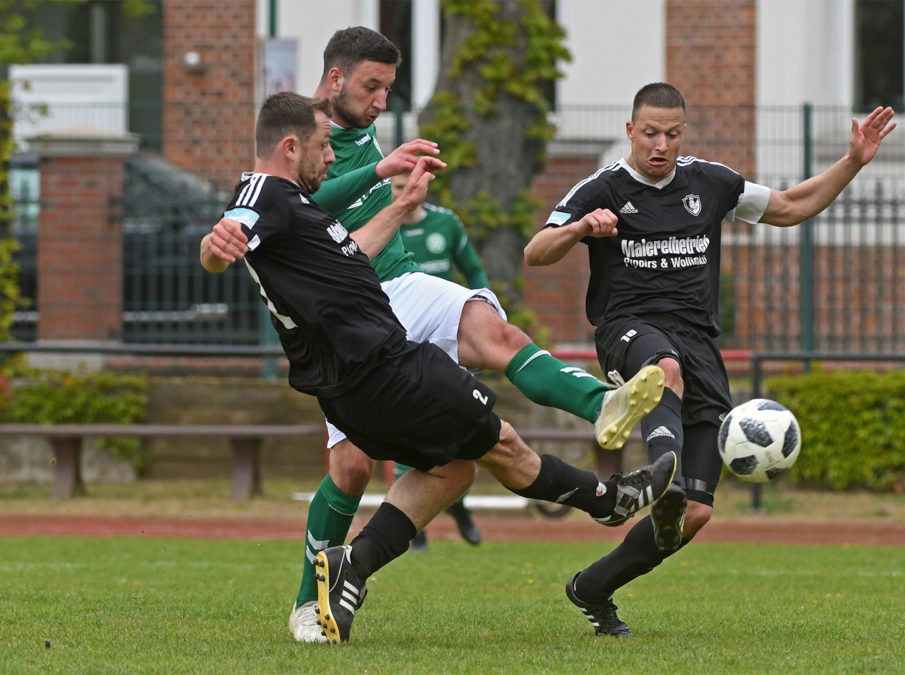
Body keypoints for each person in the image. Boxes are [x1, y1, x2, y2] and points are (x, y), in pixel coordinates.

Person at [200, 91, 679, 646]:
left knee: (454, 471)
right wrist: (218, 244)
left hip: (354, 387)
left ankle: (352, 566)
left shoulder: (300, 212)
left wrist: (401, 206)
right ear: (289, 146)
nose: (332, 158)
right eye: (324, 146)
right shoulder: (265, 193)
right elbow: (226, 235)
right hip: (387, 367)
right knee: (503, 445)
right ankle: (609, 500)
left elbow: (350, 255)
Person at [523, 82, 896, 637]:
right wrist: (580, 228)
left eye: (672, 134)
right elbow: (535, 253)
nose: (661, 144)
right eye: (650, 133)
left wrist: (852, 161)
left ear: (683, 134)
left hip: (699, 344)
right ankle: (659, 473)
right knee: (661, 371)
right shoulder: (601, 188)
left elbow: (792, 207)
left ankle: (593, 587)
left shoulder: (712, 183)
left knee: (695, 513)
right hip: (630, 331)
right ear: (631, 131)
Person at [392, 171, 489, 551]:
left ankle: (458, 506)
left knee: (456, 429)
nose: (406, 193)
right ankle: (414, 530)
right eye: (397, 187)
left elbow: (474, 270)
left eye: (410, 184)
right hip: (403, 346)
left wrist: (485, 311)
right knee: (404, 428)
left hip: (447, 341)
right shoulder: (381, 229)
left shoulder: (445, 224)